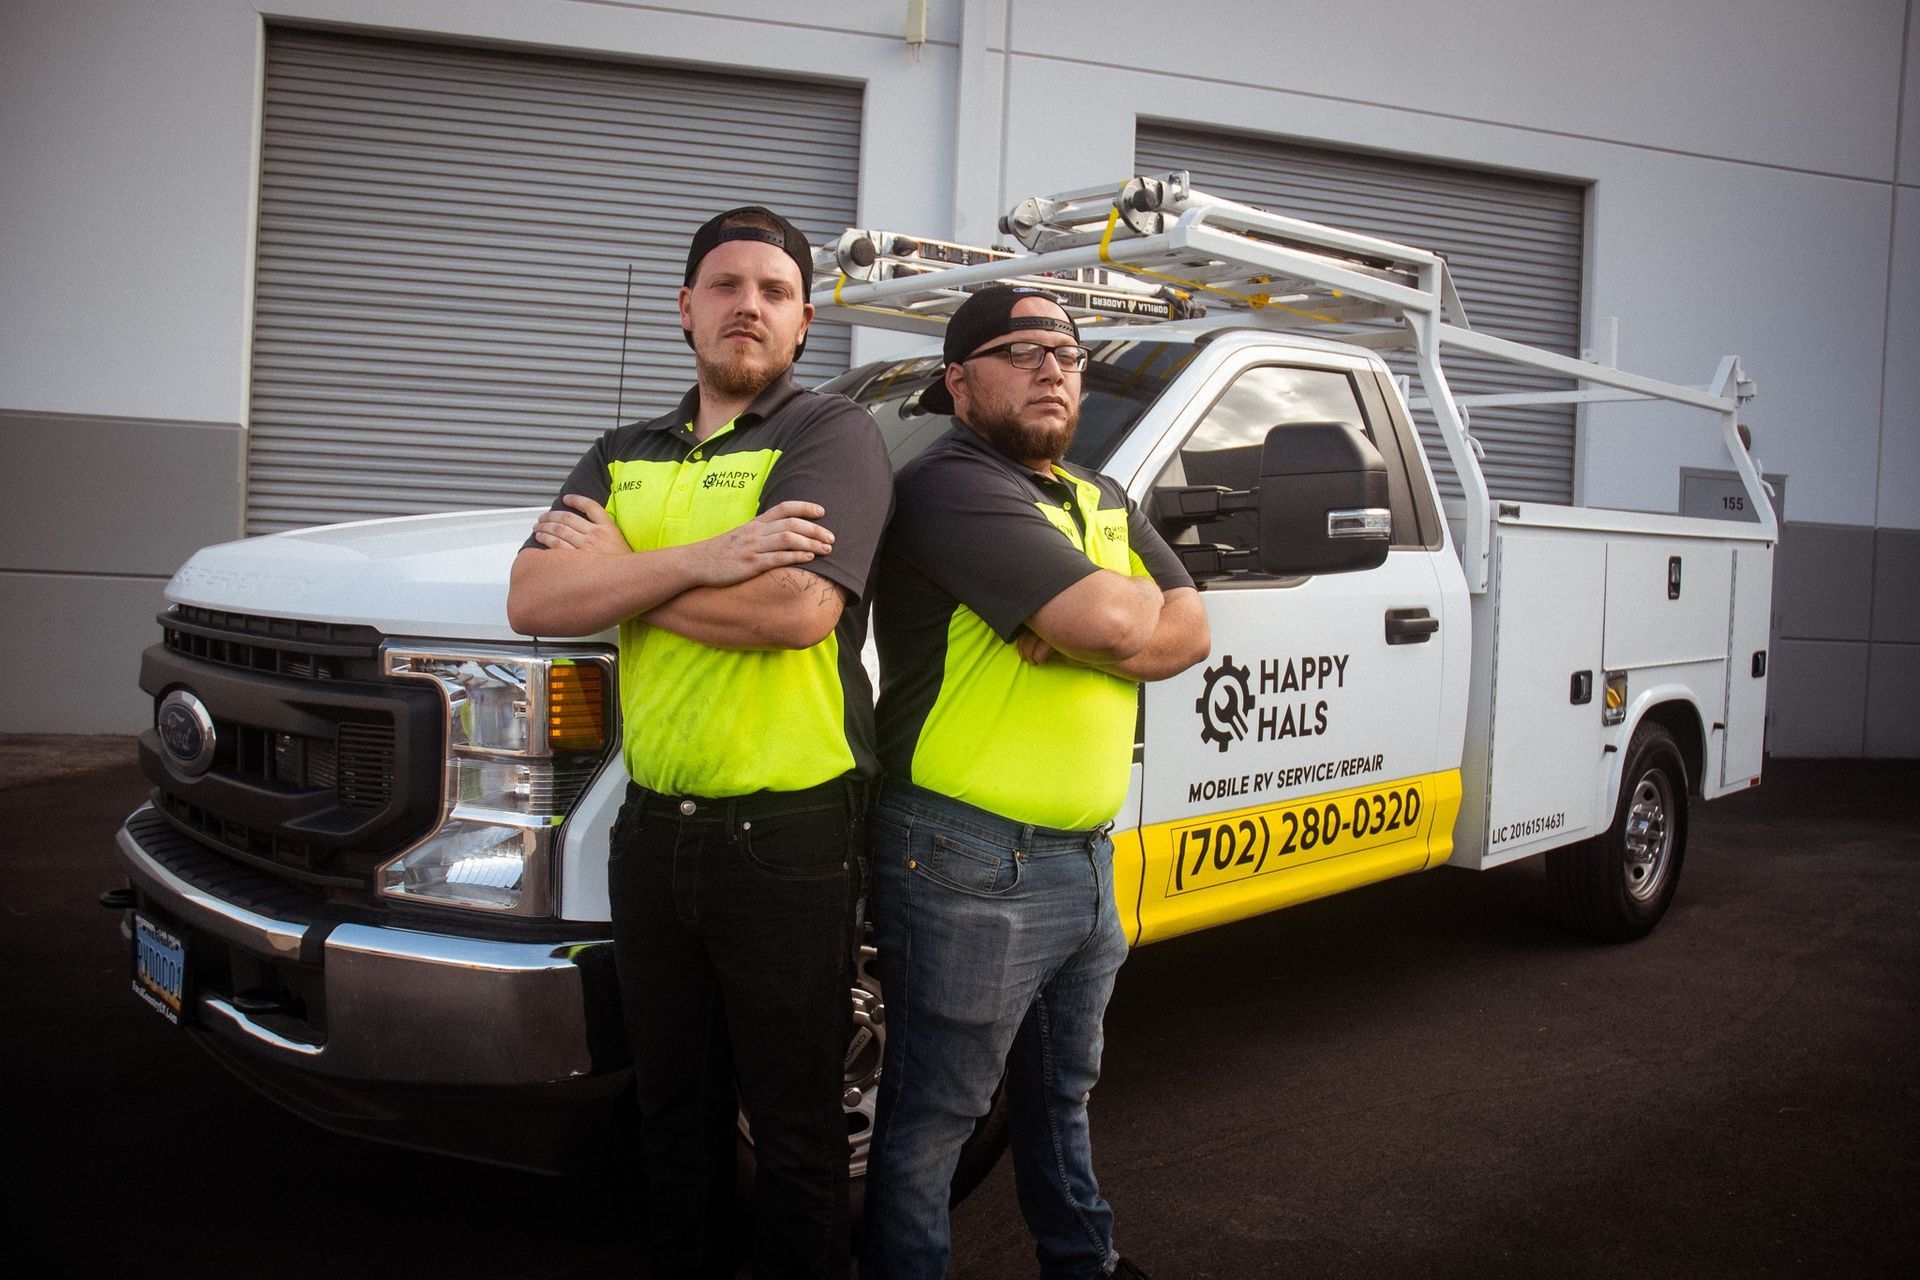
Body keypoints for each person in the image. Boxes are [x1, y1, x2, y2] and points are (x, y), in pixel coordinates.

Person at [506, 206, 892, 1280]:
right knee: (672, 1120)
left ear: (806, 320)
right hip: (650, 831)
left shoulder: (829, 435)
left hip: (790, 836)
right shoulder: (620, 448)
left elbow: (794, 612)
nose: (748, 306)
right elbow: (534, 595)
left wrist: (625, 574)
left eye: (773, 291)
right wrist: (716, 553)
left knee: (798, 1128)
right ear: (687, 307)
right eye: (726, 285)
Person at [861, 285, 1212, 1279]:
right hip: (967, 858)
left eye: (1066, 348)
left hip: (1086, 859)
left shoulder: (1098, 494)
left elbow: (1190, 626)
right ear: (959, 382)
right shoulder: (948, 487)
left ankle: (1082, 1259)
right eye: (1021, 350)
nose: (1054, 365)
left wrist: (1092, 622)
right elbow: (1121, 624)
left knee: (1062, 1091)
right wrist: (1108, 620)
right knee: (936, 1114)